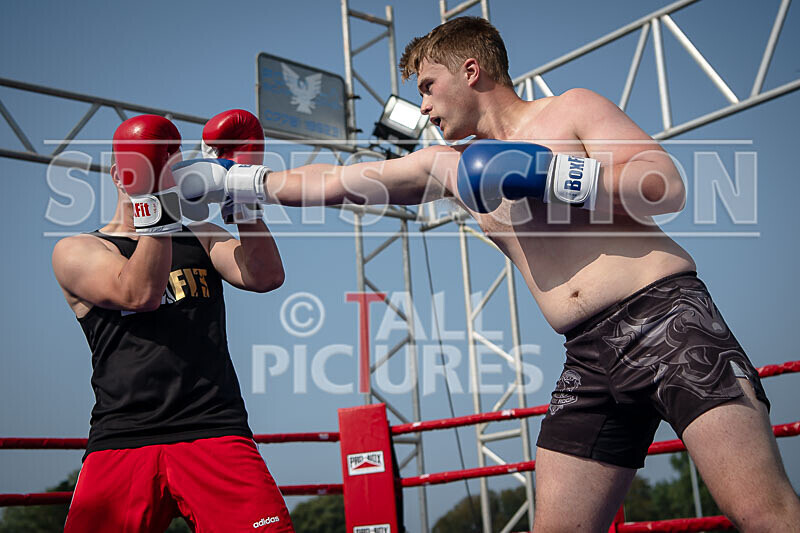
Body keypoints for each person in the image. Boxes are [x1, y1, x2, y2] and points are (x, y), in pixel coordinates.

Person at [179, 18, 800, 532]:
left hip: (667, 322)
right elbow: (338, 184)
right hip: (586, 357)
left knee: (763, 514)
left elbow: (664, 185)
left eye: (427, 85)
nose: (420, 105)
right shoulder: (447, 165)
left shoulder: (570, 110)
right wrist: (241, 181)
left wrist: (554, 176)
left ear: (470, 71)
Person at [52, 113, 294, 532]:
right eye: (156, 166)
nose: (169, 178)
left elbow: (264, 276)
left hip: (214, 429)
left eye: (172, 168)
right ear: (118, 174)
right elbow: (138, 293)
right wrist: (159, 203)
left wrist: (243, 197)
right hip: (123, 438)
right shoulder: (77, 250)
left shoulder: (200, 233)